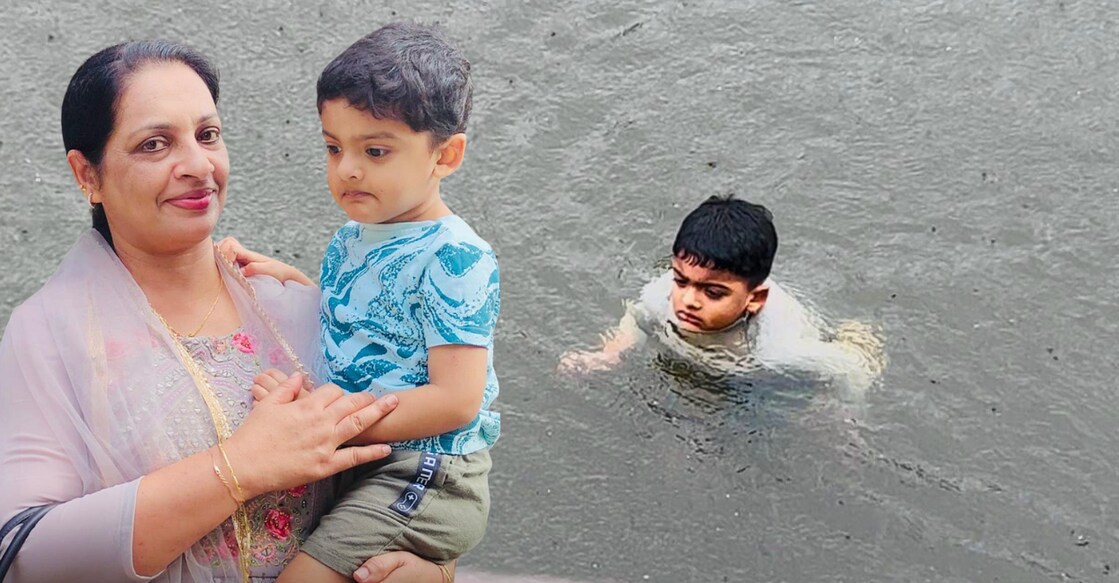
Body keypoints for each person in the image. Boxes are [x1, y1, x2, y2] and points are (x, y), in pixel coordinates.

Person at [0, 40, 453, 583]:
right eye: (154, 144)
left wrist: (433, 571)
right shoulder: (53, 333)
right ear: (87, 174)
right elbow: (22, 554)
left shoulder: (298, 308)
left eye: (207, 135)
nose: (196, 164)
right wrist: (237, 468)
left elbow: (416, 475)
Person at [230, 23, 499, 583]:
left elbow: (455, 400)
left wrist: (328, 424)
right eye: (334, 147)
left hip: (427, 471)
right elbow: (365, 319)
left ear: (445, 156)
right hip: (372, 455)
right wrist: (290, 282)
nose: (347, 168)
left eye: (375, 150)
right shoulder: (355, 234)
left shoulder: (457, 258)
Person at [559, 195, 884, 391]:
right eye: (681, 280)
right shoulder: (663, 294)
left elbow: (854, 367)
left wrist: (842, 418)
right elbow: (637, 317)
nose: (687, 300)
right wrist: (611, 352)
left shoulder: (778, 348)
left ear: (754, 300)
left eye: (712, 293)